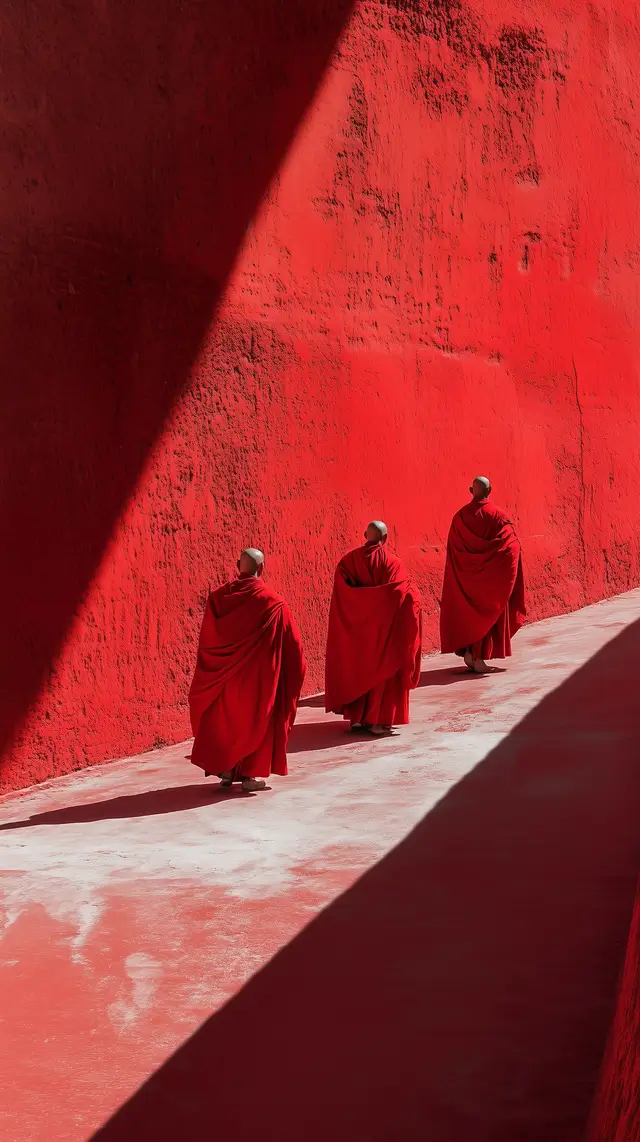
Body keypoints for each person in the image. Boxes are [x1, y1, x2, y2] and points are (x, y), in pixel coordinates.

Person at [189, 548, 306, 792]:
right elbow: (294, 647)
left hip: (223, 681)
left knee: (225, 722)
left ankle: (227, 770)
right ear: (261, 568)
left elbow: (208, 640)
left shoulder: (218, 599)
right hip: (258, 682)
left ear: (236, 565)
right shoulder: (274, 603)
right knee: (257, 722)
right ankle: (250, 776)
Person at [325, 521, 422, 735]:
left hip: (357, 630)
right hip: (384, 629)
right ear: (386, 538)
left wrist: (359, 609)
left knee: (359, 667)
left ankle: (357, 719)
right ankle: (377, 721)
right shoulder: (393, 563)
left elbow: (343, 591)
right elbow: (398, 594)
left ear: (364, 535)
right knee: (382, 670)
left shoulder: (347, 562)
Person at [440, 477, 526, 673]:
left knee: (471, 614)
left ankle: (470, 654)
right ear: (490, 490)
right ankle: (479, 658)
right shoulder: (498, 516)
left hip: (466, 579)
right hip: (490, 581)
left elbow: (453, 551)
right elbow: (511, 546)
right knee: (488, 611)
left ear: (471, 490)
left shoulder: (459, 518)